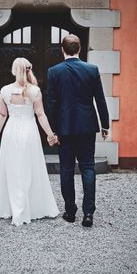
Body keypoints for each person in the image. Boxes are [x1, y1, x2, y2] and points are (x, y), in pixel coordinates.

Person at [47, 34, 109, 227]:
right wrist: (105, 125)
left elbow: (52, 103)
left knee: (66, 169)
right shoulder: (92, 70)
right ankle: (88, 214)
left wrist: (52, 130)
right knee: (88, 168)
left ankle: (70, 211)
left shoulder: (54, 72)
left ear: (62, 50)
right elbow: (100, 99)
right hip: (87, 127)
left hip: (64, 129)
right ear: (80, 49)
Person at [0, 57, 59, 226]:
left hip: (10, 132)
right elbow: (41, 115)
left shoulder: (5, 91)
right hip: (29, 132)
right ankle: (31, 207)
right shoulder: (34, 91)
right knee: (30, 167)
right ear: (29, 70)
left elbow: (2, 115)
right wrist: (50, 134)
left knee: (13, 168)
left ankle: (14, 208)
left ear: (14, 71)